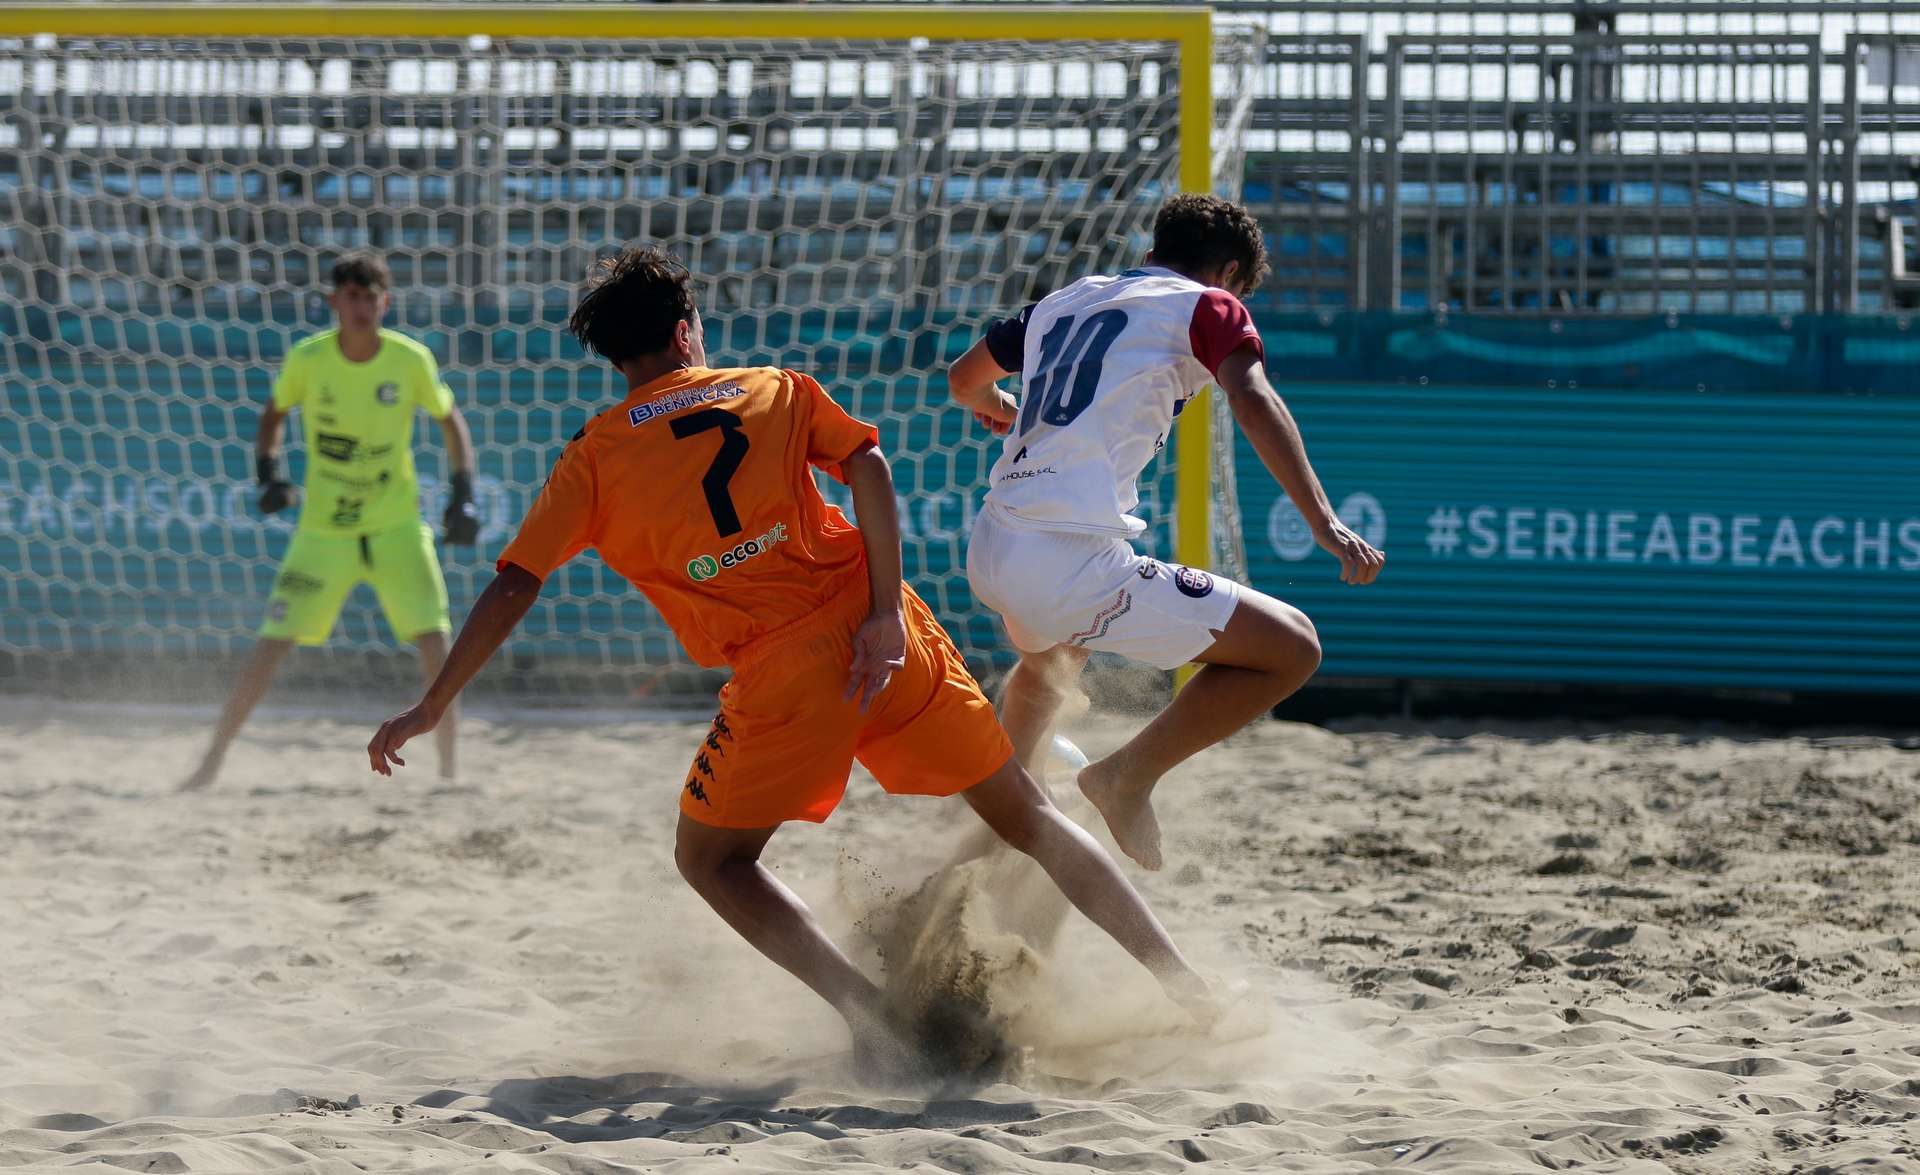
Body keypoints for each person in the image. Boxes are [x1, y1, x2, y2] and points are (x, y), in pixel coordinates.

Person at [364, 247, 1217, 1065]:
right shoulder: (776, 386)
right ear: (686, 330)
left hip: (783, 675)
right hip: (886, 635)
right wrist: (883, 612)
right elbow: (870, 461)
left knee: (710, 859)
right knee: (1027, 814)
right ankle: (1190, 989)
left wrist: (435, 700)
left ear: (616, 357)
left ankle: (875, 1019)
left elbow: (515, 582)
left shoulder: (593, 456)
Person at [945, 194, 1386, 871]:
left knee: (1052, 661)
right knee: (1294, 647)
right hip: (1066, 560)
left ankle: (1000, 822)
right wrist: (1323, 521)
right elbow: (1252, 397)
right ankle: (1124, 777)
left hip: (994, 543)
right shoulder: (1209, 306)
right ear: (1229, 274)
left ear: (1151, 255)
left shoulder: (1067, 299)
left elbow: (962, 380)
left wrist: (999, 406)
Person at [181, 253, 480, 790]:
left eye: (371, 297)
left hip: (395, 525)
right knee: (270, 645)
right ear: (334, 302)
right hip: (324, 531)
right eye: (352, 296)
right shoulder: (309, 358)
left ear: (385, 303)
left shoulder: (409, 359)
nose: (362, 306)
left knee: (437, 643)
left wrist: (463, 493)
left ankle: (450, 775)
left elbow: (449, 419)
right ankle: (210, 763)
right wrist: (268, 474)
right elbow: (274, 413)